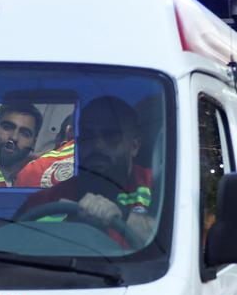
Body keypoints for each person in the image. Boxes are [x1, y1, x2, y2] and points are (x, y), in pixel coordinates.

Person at [16, 96, 157, 248]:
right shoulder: (47, 201)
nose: (97, 145)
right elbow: (12, 246)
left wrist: (122, 215)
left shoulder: (159, 186)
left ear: (134, 146)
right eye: (88, 136)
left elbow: (176, 240)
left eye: (110, 136)